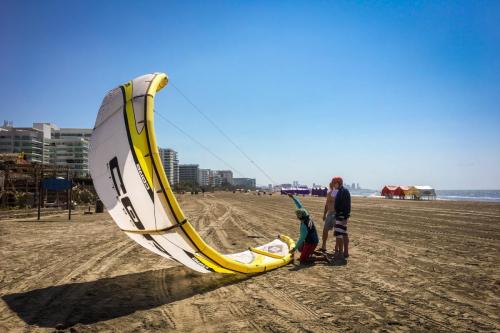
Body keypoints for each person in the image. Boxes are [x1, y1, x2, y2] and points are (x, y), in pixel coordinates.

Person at [288, 195, 325, 265]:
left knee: (303, 259)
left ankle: (322, 258)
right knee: (300, 248)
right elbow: (299, 205)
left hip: (311, 242)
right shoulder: (306, 214)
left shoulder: (303, 226)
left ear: (299, 217)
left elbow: (301, 239)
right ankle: (311, 252)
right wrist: (293, 198)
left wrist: (294, 249)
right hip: (313, 240)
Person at [332, 177, 351, 258]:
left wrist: (345, 217)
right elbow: (333, 199)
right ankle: (343, 252)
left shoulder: (344, 191)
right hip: (340, 215)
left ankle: (341, 253)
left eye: (334, 183)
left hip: (342, 215)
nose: (333, 184)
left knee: (340, 233)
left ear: (338, 183)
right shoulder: (338, 191)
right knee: (341, 233)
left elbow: (347, 205)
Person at [319, 179, 338, 253]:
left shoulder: (335, 192)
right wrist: (324, 214)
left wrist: (334, 189)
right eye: (330, 184)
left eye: (332, 184)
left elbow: (332, 200)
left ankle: (336, 247)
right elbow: (326, 204)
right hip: (330, 213)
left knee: (336, 231)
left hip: (335, 213)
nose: (330, 185)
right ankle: (323, 246)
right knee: (325, 230)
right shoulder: (330, 192)